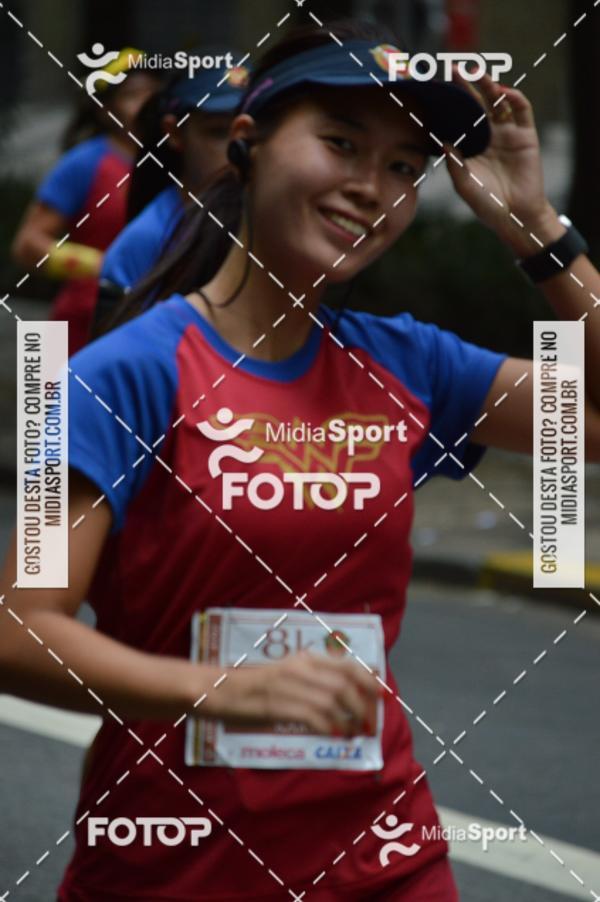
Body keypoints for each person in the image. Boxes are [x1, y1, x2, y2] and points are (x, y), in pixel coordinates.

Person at [1, 18, 599, 902]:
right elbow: (20, 628)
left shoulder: (412, 365)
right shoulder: (121, 374)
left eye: (404, 166)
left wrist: (536, 230)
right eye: (342, 143)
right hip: (172, 867)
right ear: (248, 143)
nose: (372, 187)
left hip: (386, 861)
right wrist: (221, 691)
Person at [11, 48, 160, 356]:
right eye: (133, 94)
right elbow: (27, 245)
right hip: (77, 322)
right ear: (106, 109)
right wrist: (105, 266)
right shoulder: (85, 162)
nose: (146, 102)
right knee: (43, 403)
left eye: (153, 93)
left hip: (146, 321)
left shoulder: (175, 162)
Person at [92, 51, 251, 335]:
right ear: (174, 133)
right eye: (218, 132)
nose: (239, 149)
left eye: (252, 132)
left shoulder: (270, 221)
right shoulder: (147, 239)